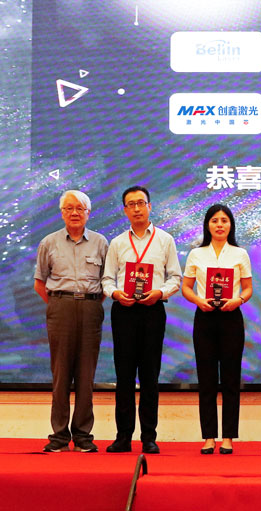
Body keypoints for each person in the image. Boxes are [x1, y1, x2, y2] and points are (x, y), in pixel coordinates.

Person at [102, 185, 182, 454]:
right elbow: (107, 279)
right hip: (124, 311)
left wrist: (159, 293)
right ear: (125, 210)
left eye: (141, 203)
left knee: (150, 375)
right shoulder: (117, 243)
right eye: (131, 204)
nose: (136, 208)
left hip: (152, 310)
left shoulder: (165, 240)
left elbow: (175, 278)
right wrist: (115, 293)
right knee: (124, 375)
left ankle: (149, 436)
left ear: (150, 206)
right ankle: (123, 436)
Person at [34, 190, 108, 453]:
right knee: (61, 373)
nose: (75, 213)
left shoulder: (101, 242)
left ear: (88, 212)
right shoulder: (49, 242)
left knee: (86, 375)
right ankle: (59, 435)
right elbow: (40, 283)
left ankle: (83, 435)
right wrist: (59, 303)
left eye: (80, 208)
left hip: (90, 308)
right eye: (69, 208)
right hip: (60, 307)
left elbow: (107, 282)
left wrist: (88, 303)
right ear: (62, 212)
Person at [182, 205, 253, 455]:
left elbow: (248, 288)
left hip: (231, 317)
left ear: (231, 225)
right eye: (215, 220)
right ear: (207, 225)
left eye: (224, 220)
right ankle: (209, 437)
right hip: (205, 317)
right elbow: (186, 287)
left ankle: (229, 437)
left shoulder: (240, 253)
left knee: (231, 379)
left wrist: (238, 300)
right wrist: (198, 300)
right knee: (207, 380)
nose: (220, 224)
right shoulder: (196, 254)